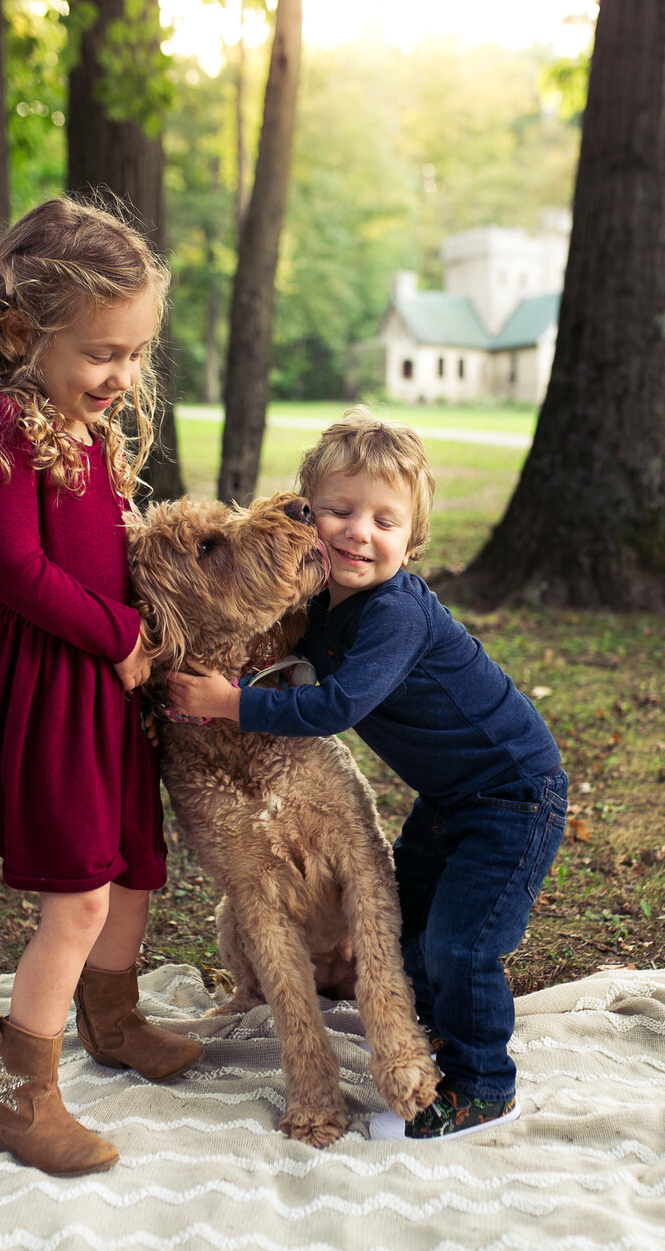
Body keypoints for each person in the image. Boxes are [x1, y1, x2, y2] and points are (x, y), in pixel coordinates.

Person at [167, 406, 568, 1142]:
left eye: (385, 521)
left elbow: (335, 705)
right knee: (411, 925)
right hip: (450, 797)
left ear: (411, 544)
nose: (360, 532)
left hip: (515, 795)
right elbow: (273, 630)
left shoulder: (396, 614)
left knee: (462, 943)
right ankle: (440, 1040)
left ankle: (485, 1088)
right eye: (341, 511)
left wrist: (233, 704)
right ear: (307, 515)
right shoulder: (324, 604)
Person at [0, 196, 201, 1177]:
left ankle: (110, 1014)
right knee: (76, 894)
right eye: (100, 353)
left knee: (126, 863)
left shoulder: (84, 425)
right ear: (17, 330)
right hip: (50, 684)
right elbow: (11, 570)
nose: (123, 375)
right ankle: (19, 1097)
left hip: (105, 687)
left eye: (135, 352)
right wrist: (119, 633)